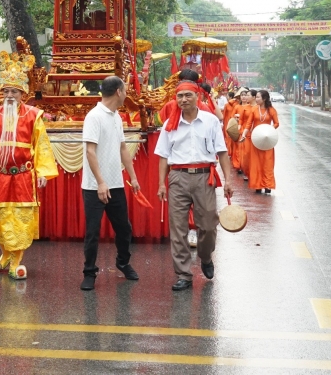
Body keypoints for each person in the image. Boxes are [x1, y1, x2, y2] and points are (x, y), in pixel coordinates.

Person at [0, 51, 58, 280]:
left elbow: (42, 145)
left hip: (22, 177)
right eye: (6, 91)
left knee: (19, 219)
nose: (10, 95)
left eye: (14, 92)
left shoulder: (34, 116)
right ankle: (5, 254)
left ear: (23, 94)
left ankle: (16, 261)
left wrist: (43, 171)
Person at [155, 82, 235, 292]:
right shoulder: (169, 124)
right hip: (177, 177)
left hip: (204, 178)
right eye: (179, 96)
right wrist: (161, 184)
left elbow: (222, 152)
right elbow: (163, 156)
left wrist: (228, 180)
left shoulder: (210, 121)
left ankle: (206, 256)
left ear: (197, 96)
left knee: (208, 225)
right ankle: (183, 274)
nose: (183, 100)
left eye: (188, 95)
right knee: (178, 229)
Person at [80, 76, 141, 291]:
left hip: (116, 184)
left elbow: (123, 148)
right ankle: (89, 272)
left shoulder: (116, 117)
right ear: (118, 91)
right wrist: (101, 182)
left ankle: (123, 262)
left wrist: (132, 177)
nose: (126, 94)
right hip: (94, 186)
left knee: (124, 229)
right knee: (93, 232)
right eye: (125, 90)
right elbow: (90, 151)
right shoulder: (94, 116)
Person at [239, 90, 280, 194]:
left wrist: (269, 130)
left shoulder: (271, 110)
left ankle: (267, 185)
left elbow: (276, 123)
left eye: (258, 97)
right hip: (256, 140)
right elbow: (249, 124)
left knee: (267, 163)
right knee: (256, 163)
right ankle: (257, 185)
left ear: (264, 99)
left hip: (267, 140)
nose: (256, 99)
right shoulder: (254, 109)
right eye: (256, 97)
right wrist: (244, 134)